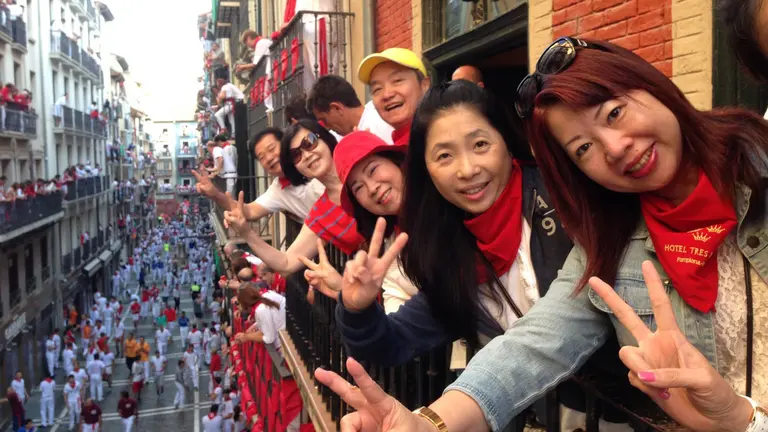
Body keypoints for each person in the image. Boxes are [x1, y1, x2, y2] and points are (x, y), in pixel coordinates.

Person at [317, 37, 768, 431]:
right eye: (583, 148)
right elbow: (534, 341)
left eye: (614, 113)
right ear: (427, 173)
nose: (615, 148)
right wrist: (430, 420)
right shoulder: (606, 235)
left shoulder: (573, 211)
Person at [225, 119, 365, 275]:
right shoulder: (322, 214)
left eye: (310, 142)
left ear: (325, 138)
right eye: (296, 155)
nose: (306, 155)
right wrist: (246, 233)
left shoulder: (361, 158)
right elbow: (286, 263)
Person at [357, 47, 431, 145]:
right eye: (377, 89)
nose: (387, 94)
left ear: (424, 85)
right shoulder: (394, 151)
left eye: (397, 81)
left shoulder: (439, 137)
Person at [307, 74, 394, 141]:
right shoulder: (336, 140)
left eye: (324, 120)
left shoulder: (386, 120)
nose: (327, 127)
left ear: (337, 108)